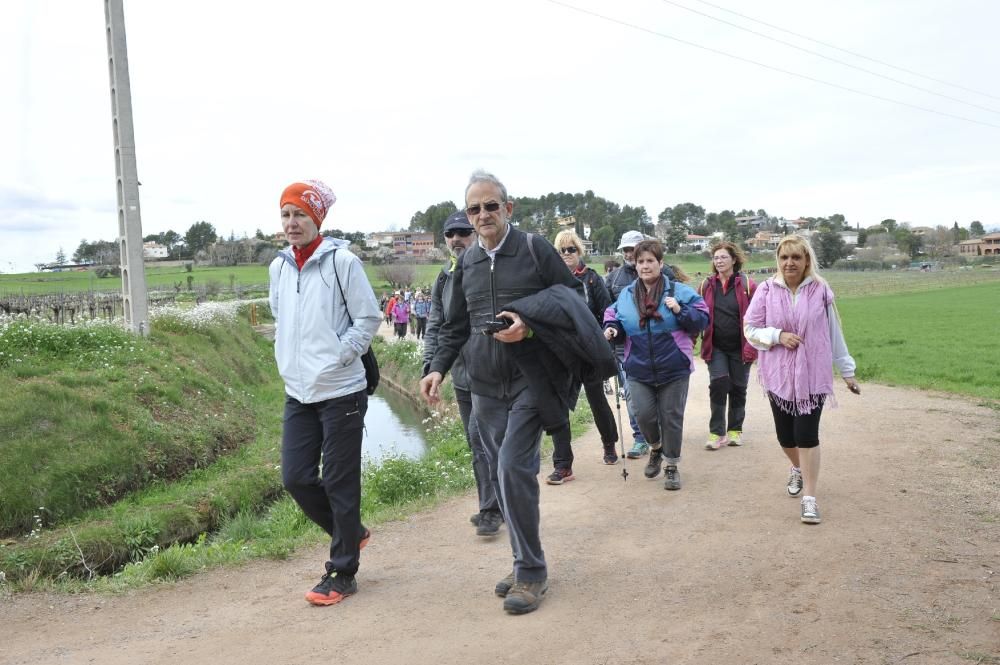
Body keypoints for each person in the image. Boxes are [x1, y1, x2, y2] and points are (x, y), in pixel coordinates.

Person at [420, 169, 586, 615]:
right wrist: (436, 367)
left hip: (533, 378)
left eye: (491, 205)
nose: (483, 214)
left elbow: (572, 301)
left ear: (508, 208)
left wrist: (528, 325)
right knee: (502, 475)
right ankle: (523, 561)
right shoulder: (467, 264)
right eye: (474, 209)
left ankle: (531, 572)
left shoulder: (534, 250)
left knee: (514, 466)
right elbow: (455, 325)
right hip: (485, 385)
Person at [268, 180, 381, 606]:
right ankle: (352, 532)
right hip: (298, 391)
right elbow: (282, 317)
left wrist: (341, 354)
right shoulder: (278, 267)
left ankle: (342, 572)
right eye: (285, 214)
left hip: (341, 390)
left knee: (339, 481)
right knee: (295, 478)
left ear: (317, 219)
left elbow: (368, 317)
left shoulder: (342, 262)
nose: (292, 223)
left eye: (300, 214)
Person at [744, 235, 861, 525]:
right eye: (784, 258)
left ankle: (810, 497)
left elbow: (835, 333)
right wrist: (777, 336)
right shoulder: (767, 290)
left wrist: (847, 372)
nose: (790, 263)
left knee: (807, 435)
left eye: (796, 257)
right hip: (778, 375)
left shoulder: (821, 290)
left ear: (807, 260)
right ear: (778, 261)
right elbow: (749, 328)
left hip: (813, 375)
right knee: (786, 437)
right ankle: (797, 467)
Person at [422, 210, 503, 536]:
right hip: (461, 372)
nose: (456, 239)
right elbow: (436, 325)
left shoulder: (489, 269)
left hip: (491, 370)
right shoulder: (443, 277)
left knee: (479, 437)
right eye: (449, 234)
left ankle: (491, 510)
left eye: (462, 232)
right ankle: (498, 502)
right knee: (480, 444)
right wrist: (432, 368)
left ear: (474, 232)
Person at [604, 239, 709, 491]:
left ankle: (671, 465)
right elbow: (613, 316)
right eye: (640, 261)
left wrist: (680, 311)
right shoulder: (627, 295)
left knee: (671, 416)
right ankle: (655, 448)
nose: (645, 265)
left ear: (660, 264)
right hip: (638, 368)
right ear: (635, 265)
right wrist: (611, 329)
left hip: (674, 366)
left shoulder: (679, 292)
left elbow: (703, 318)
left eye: (650, 261)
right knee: (643, 414)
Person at [548, 229, 619, 475]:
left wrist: (606, 332)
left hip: (588, 350)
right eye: (562, 250)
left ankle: (609, 444)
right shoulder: (551, 280)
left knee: (596, 399)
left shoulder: (591, 278)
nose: (567, 254)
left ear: (580, 251)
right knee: (559, 404)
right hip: (562, 351)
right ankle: (562, 463)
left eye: (571, 249)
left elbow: (607, 310)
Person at [604, 231, 677, 460]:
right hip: (625, 349)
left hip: (660, 349)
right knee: (634, 398)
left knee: (659, 398)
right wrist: (610, 329)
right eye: (625, 250)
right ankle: (640, 438)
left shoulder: (664, 273)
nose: (628, 253)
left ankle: (660, 436)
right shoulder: (613, 278)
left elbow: (674, 307)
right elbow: (609, 312)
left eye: (632, 249)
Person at [697, 242, 758, 450]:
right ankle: (716, 433)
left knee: (738, 388)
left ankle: (735, 430)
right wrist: (690, 339)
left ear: (734, 259)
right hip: (715, 347)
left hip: (741, 347)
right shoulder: (706, 285)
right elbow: (698, 314)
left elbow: (760, 315)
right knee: (718, 385)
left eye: (723, 257)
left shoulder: (748, 285)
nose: (719, 261)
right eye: (716, 258)